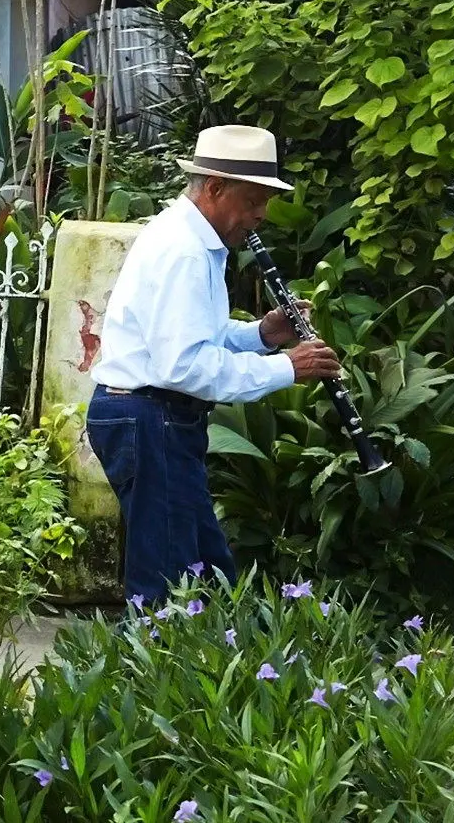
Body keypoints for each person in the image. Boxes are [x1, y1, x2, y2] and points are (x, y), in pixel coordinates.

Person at [88, 125, 343, 605]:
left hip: (156, 416)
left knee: (206, 574)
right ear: (216, 188)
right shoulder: (184, 251)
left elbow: (191, 338)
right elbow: (184, 366)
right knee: (168, 586)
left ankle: (204, 670)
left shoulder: (194, 242)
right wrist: (288, 367)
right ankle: (149, 674)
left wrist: (262, 336)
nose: (261, 215)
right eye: (253, 201)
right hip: (150, 416)